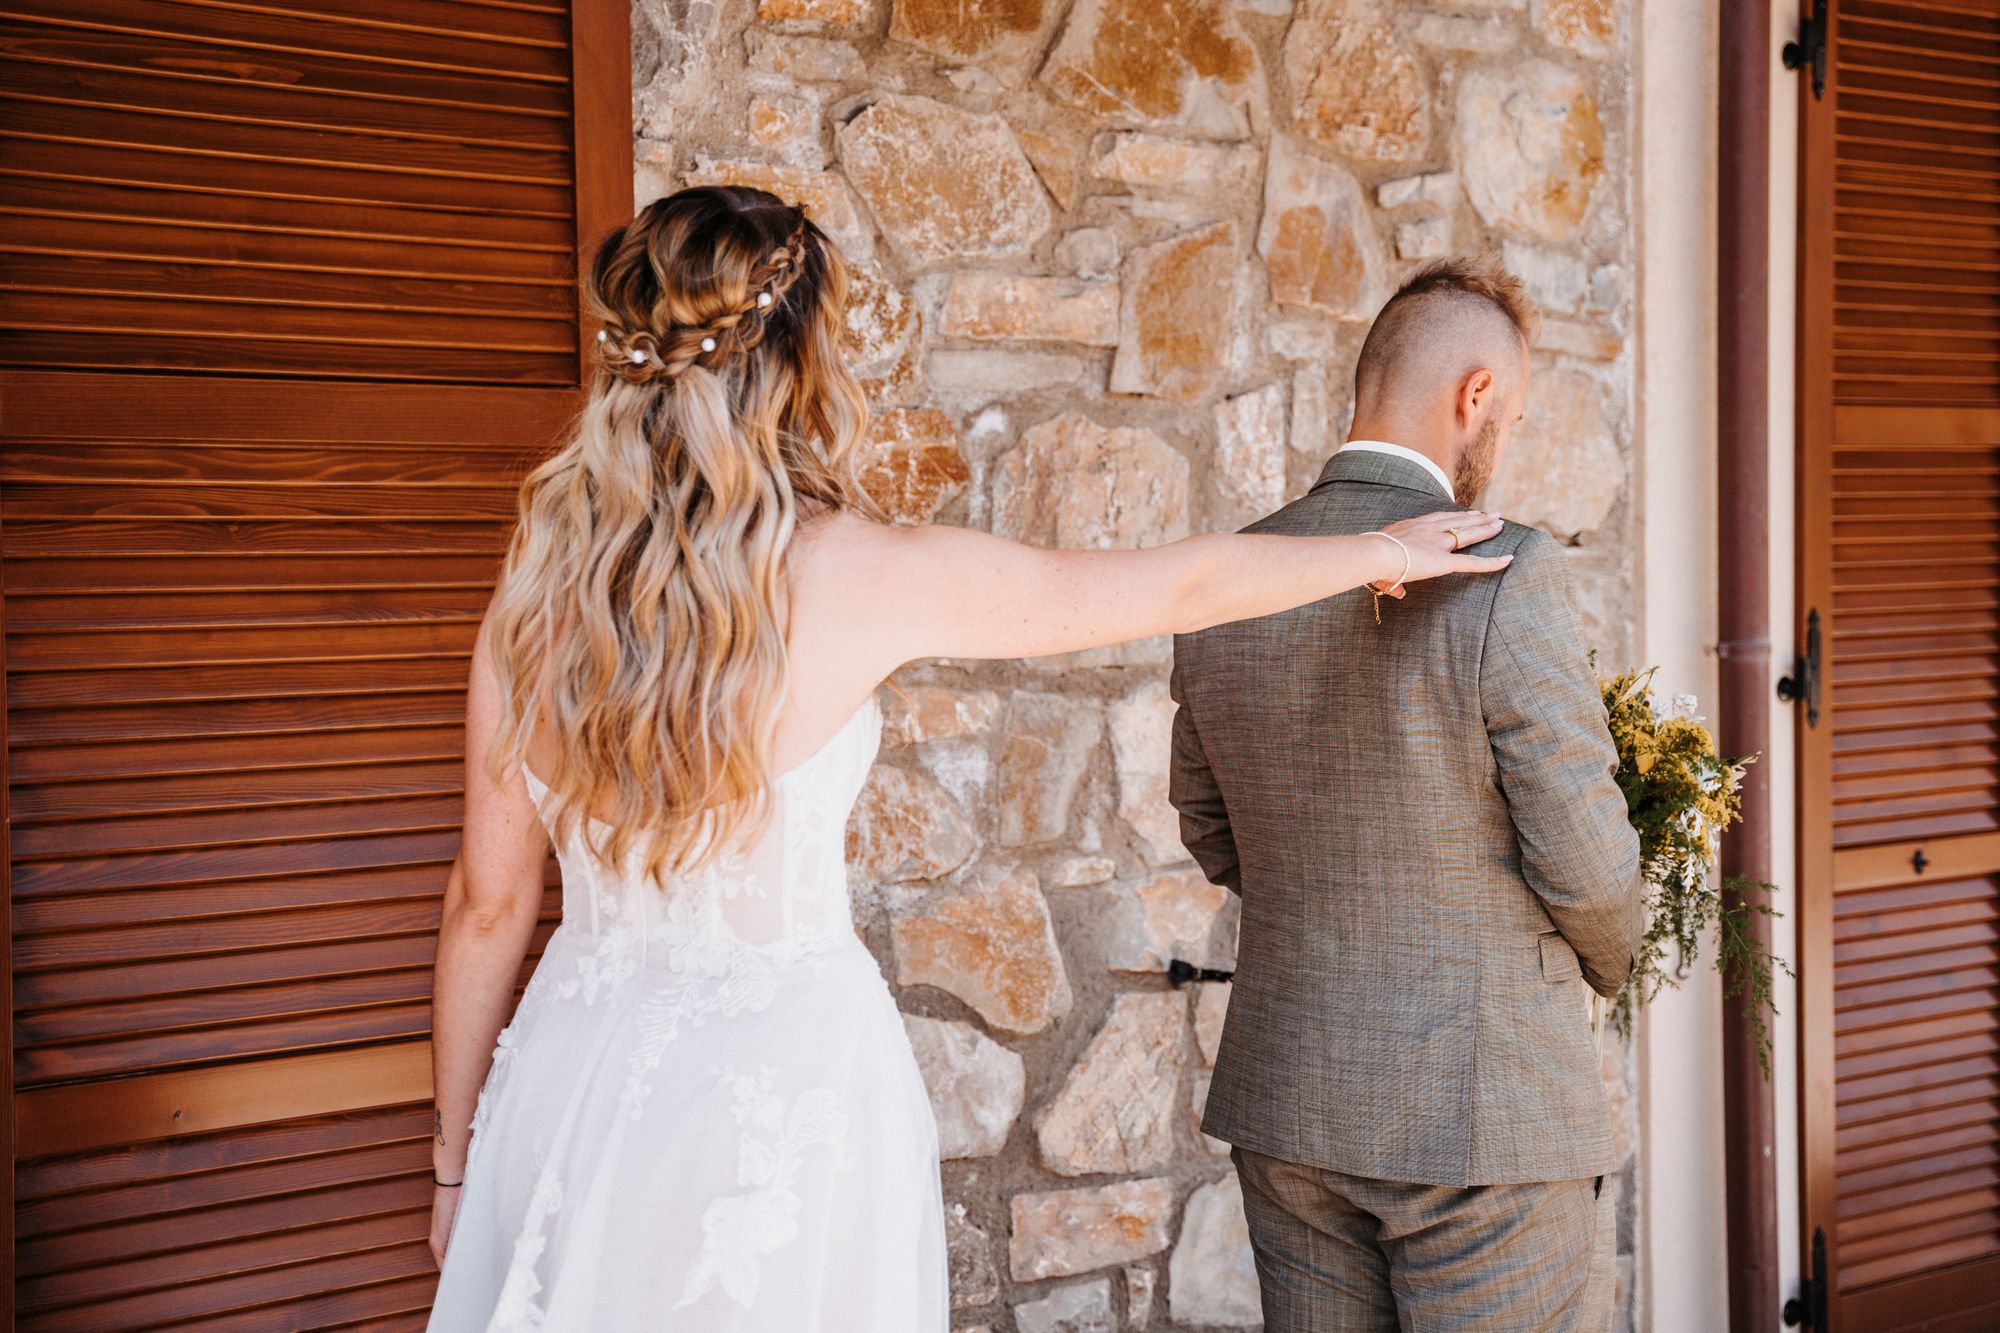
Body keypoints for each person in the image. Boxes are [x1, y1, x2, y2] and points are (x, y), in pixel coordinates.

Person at [422, 186, 1511, 1331]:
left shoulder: (531, 603)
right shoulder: (853, 572)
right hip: (780, 1104)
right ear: (799, 361)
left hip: (568, 1083)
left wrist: (454, 1169)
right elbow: (1170, 584)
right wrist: (1380, 548)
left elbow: (485, 907)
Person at [1169, 256, 1647, 1332]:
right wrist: (1617, 954)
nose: (1503, 439)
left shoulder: (1225, 575)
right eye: (1511, 413)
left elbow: (1208, 827)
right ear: (1474, 395)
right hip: (1481, 1117)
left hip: (1292, 1102)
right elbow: (1583, 858)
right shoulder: (1505, 569)